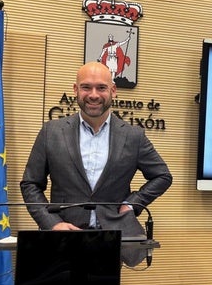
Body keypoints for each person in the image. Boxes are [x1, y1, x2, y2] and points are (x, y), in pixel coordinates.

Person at [20, 61, 172, 266]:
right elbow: (30, 184)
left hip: (112, 239)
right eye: (86, 87)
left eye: (101, 87)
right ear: (76, 90)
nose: (93, 95)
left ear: (113, 91)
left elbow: (162, 176)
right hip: (62, 237)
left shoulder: (133, 136)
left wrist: (132, 204)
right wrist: (52, 224)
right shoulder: (51, 132)